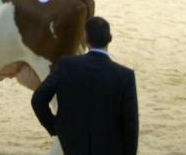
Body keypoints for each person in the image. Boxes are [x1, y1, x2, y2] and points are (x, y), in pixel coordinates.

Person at [31, 16, 138, 155]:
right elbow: (130, 124)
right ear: (109, 39)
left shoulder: (66, 65)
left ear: (85, 38)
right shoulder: (125, 76)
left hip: (74, 146)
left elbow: (38, 99)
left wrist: (56, 128)